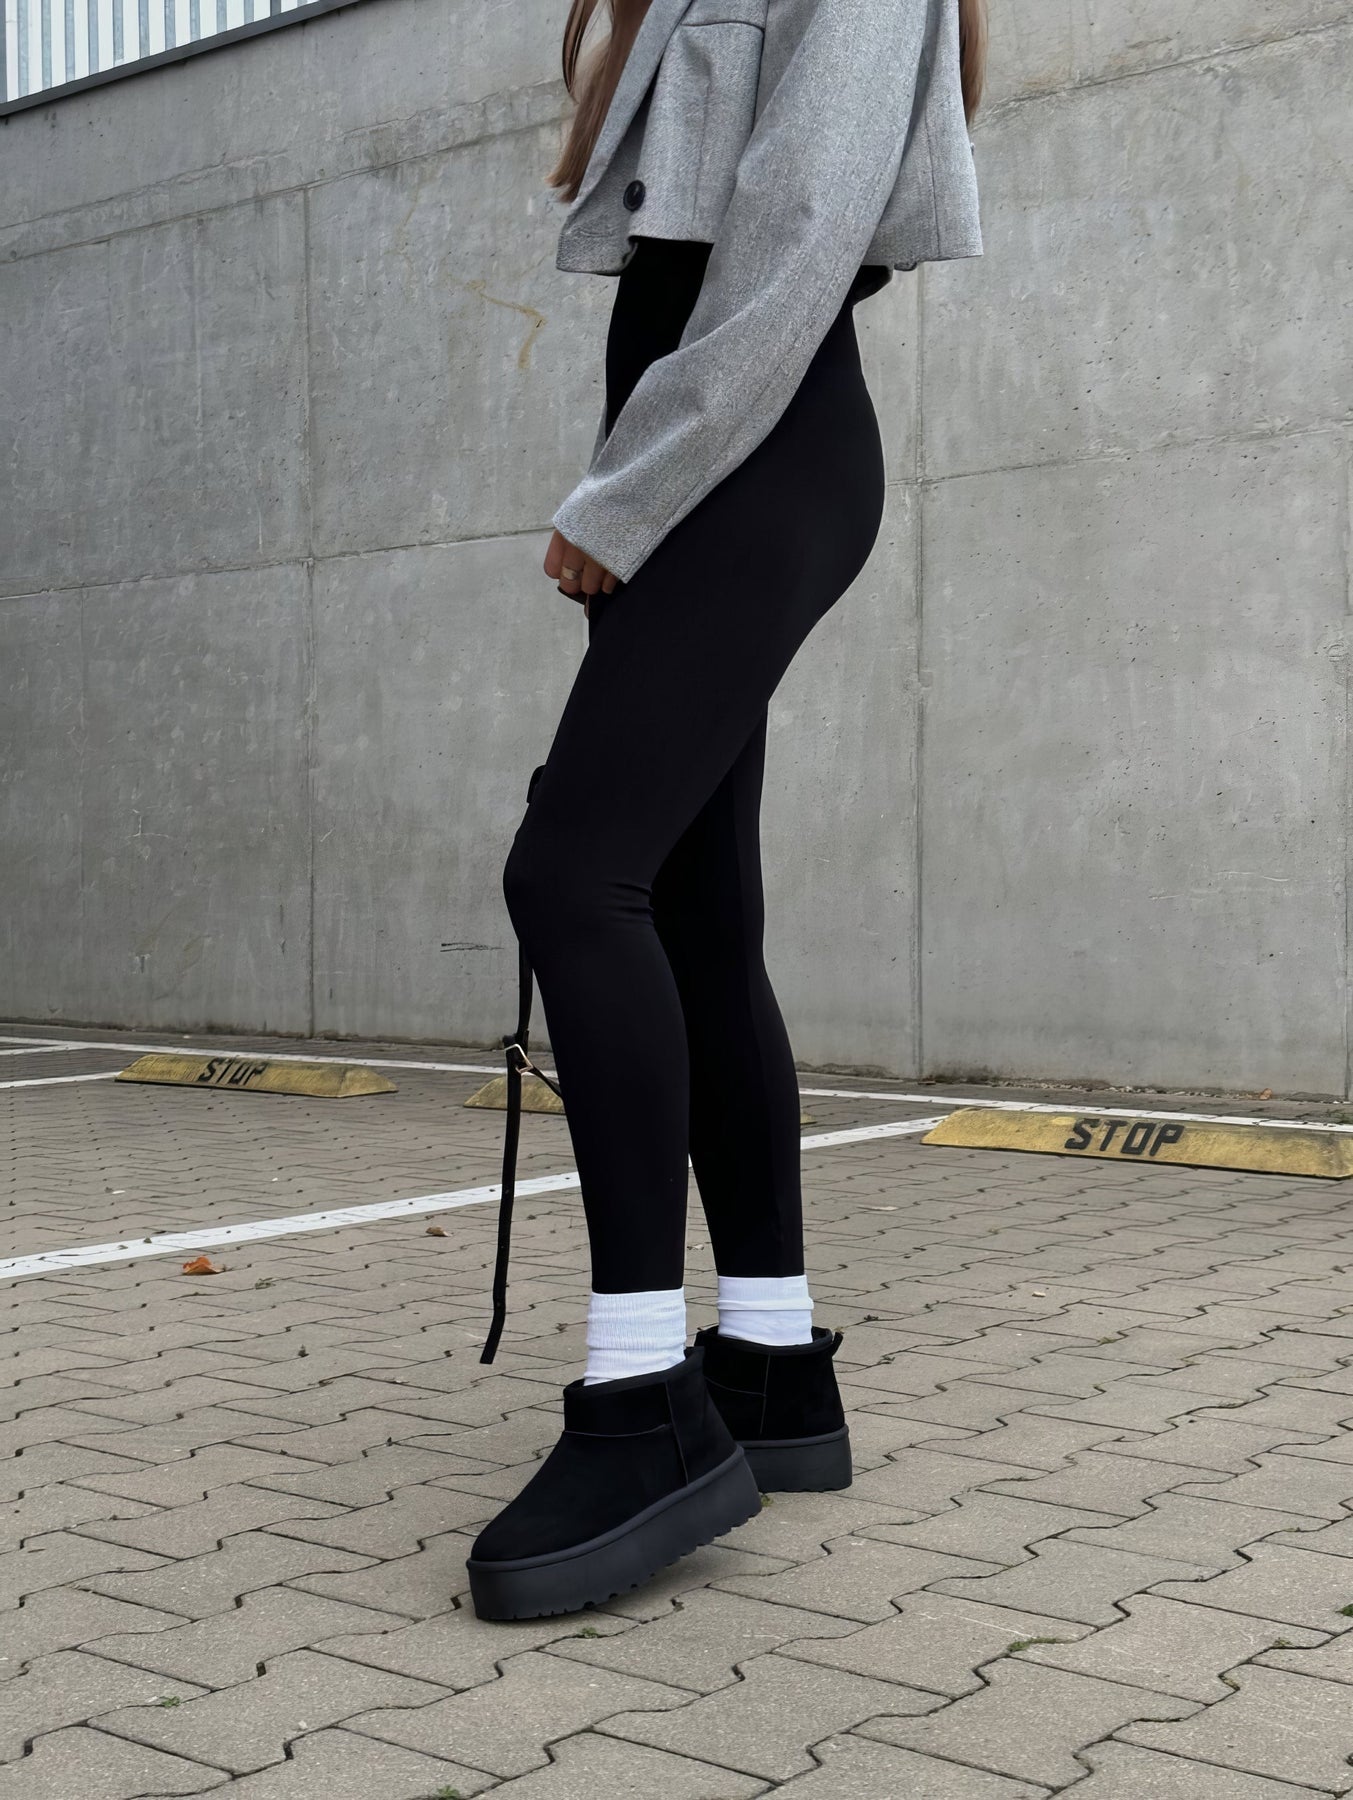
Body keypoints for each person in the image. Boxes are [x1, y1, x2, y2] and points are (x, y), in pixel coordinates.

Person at [466, 0, 986, 1621]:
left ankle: (643, 1410)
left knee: (571, 877)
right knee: (692, 910)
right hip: (701, 440)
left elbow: (799, 235)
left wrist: (628, 491)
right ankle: (768, 1366)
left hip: (751, 448)